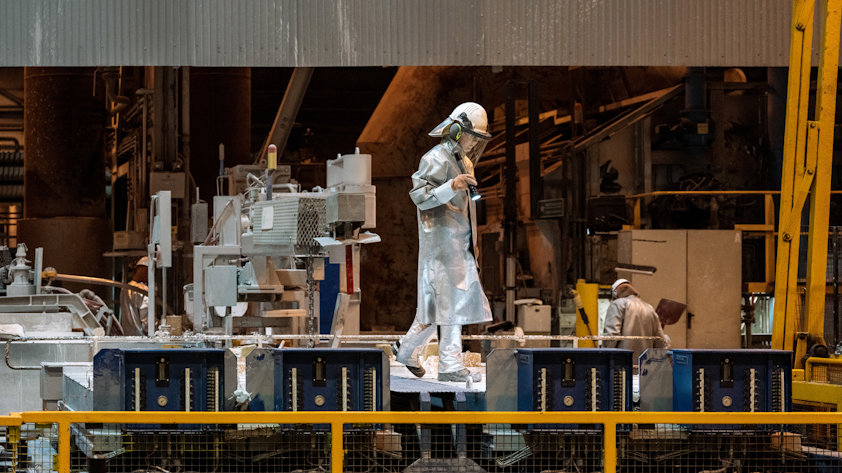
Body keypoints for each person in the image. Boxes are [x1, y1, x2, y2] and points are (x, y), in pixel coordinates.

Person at [393, 102, 493, 383]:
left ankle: (408, 351)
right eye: (473, 135)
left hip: (458, 245)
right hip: (441, 246)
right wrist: (452, 186)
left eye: (478, 138)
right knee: (448, 305)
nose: (474, 141)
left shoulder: (465, 161)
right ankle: (449, 363)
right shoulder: (435, 158)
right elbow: (420, 196)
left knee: (439, 306)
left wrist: (472, 246)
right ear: (458, 130)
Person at [602, 279, 669, 361]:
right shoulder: (649, 308)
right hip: (645, 365)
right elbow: (660, 341)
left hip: (623, 363)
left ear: (615, 293)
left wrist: (603, 355)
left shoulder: (618, 304)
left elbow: (611, 336)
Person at [120, 256, 150, 335]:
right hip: (141, 338)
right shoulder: (143, 290)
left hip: (127, 335)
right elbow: (146, 321)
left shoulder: (125, 288)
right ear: (143, 270)